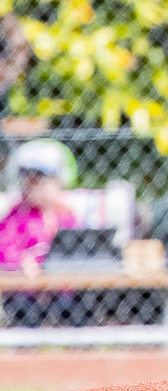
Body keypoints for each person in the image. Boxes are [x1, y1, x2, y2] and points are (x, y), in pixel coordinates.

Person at [0, 139, 81, 325]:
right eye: (28, 180)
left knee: (84, 305)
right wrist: (22, 261)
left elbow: (80, 248)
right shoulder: (15, 216)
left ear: (57, 182)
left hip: (64, 291)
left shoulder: (66, 215)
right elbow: (4, 249)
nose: (33, 186)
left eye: (41, 180)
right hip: (27, 294)